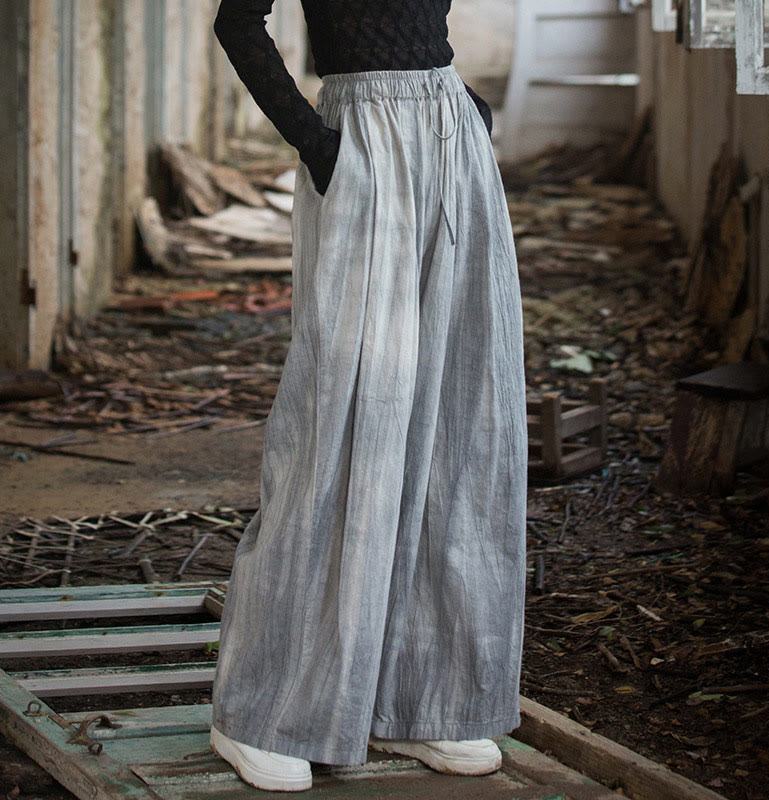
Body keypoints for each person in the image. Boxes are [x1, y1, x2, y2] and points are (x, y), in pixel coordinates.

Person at [208, 0, 528, 791]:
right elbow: (237, 21)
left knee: (460, 417)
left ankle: (428, 703)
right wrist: (319, 146)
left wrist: (466, 107)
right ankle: (264, 709)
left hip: (451, 136)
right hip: (360, 142)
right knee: (342, 418)